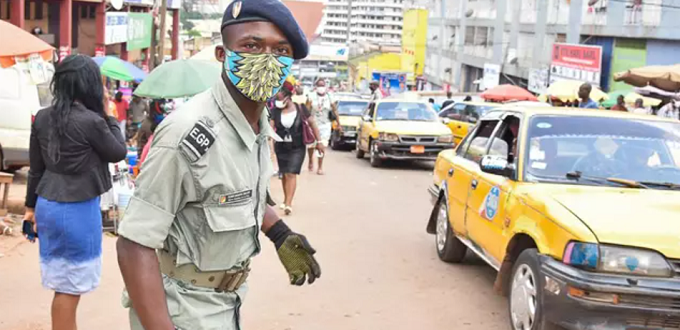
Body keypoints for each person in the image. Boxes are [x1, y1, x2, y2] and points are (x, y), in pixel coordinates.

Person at [116, 2, 322, 330]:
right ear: (222, 54)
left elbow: (235, 192)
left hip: (227, 304)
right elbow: (134, 243)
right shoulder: (187, 134)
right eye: (252, 46)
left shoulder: (256, 125)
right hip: (181, 311)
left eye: (280, 49)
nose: (267, 58)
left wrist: (279, 233)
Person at [23, 55, 127, 330]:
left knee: (63, 282)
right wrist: (109, 116)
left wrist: (29, 209)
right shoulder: (92, 121)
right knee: (69, 288)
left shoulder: (43, 117)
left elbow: (36, 169)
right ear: (90, 85)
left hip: (47, 204)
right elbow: (118, 151)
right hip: (77, 209)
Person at [271, 81, 324, 215]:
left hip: (298, 146)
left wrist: (320, 141)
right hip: (281, 146)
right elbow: (270, 128)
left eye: (280, 95)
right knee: (284, 173)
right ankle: (285, 198)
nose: (278, 98)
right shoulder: (275, 111)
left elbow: (313, 124)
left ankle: (289, 203)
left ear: (288, 96)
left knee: (291, 173)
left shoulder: (301, 109)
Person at [306, 78, 340, 174]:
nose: (321, 87)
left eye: (322, 85)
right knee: (311, 145)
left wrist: (338, 123)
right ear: (316, 87)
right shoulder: (311, 96)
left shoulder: (330, 97)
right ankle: (310, 160)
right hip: (313, 124)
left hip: (325, 124)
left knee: (322, 145)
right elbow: (306, 111)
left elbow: (335, 110)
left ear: (325, 87)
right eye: (319, 85)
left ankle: (320, 167)